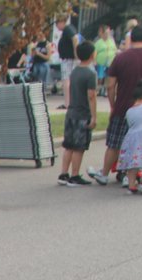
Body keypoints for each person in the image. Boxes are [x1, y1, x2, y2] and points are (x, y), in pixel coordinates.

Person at [88, 24, 142, 186]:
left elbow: (110, 85)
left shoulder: (121, 57)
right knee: (140, 143)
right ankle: (130, 175)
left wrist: (113, 104)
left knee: (114, 143)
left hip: (123, 106)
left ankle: (104, 173)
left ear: (131, 38)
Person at [57, 41, 97, 187]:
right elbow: (91, 96)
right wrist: (94, 116)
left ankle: (63, 173)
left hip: (71, 112)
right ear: (92, 55)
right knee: (79, 147)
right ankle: (74, 175)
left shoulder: (74, 71)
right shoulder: (90, 74)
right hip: (82, 114)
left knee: (69, 145)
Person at [56, 17, 77, 108]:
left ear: (62, 22)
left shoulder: (68, 29)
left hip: (68, 59)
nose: (57, 26)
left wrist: (76, 53)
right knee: (67, 80)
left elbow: (75, 38)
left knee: (66, 80)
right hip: (67, 58)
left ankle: (68, 103)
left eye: (57, 23)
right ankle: (69, 102)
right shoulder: (67, 30)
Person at [93, 25, 117, 90]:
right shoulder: (98, 42)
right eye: (106, 33)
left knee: (108, 76)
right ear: (102, 33)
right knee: (100, 76)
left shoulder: (111, 41)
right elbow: (95, 52)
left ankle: (106, 89)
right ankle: (99, 89)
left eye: (109, 33)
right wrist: (94, 61)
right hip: (100, 63)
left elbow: (115, 50)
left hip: (110, 63)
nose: (108, 35)